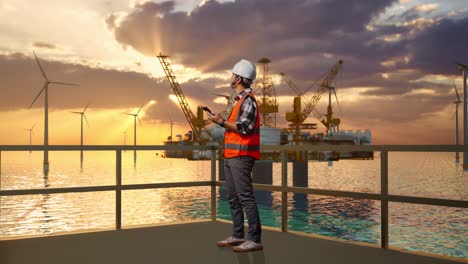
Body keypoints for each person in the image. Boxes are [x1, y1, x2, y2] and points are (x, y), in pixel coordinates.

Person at [207, 59, 263, 252]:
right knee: (233, 196)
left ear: (239, 78)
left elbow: (245, 129)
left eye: (233, 75)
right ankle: (238, 235)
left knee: (245, 196)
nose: (231, 77)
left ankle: (254, 239)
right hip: (231, 154)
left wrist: (221, 122)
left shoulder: (248, 101)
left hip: (242, 155)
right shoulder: (238, 100)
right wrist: (221, 120)